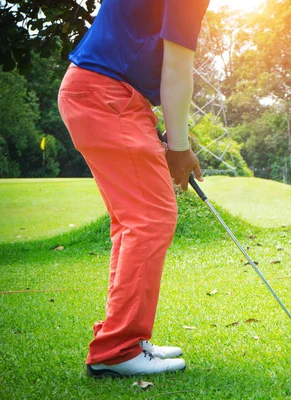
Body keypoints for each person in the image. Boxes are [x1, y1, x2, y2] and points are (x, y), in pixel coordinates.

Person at [57, 0, 210, 378]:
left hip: (99, 92)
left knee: (132, 222)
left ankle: (125, 339)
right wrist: (178, 148)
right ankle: (117, 348)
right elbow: (176, 67)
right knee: (151, 219)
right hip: (107, 96)